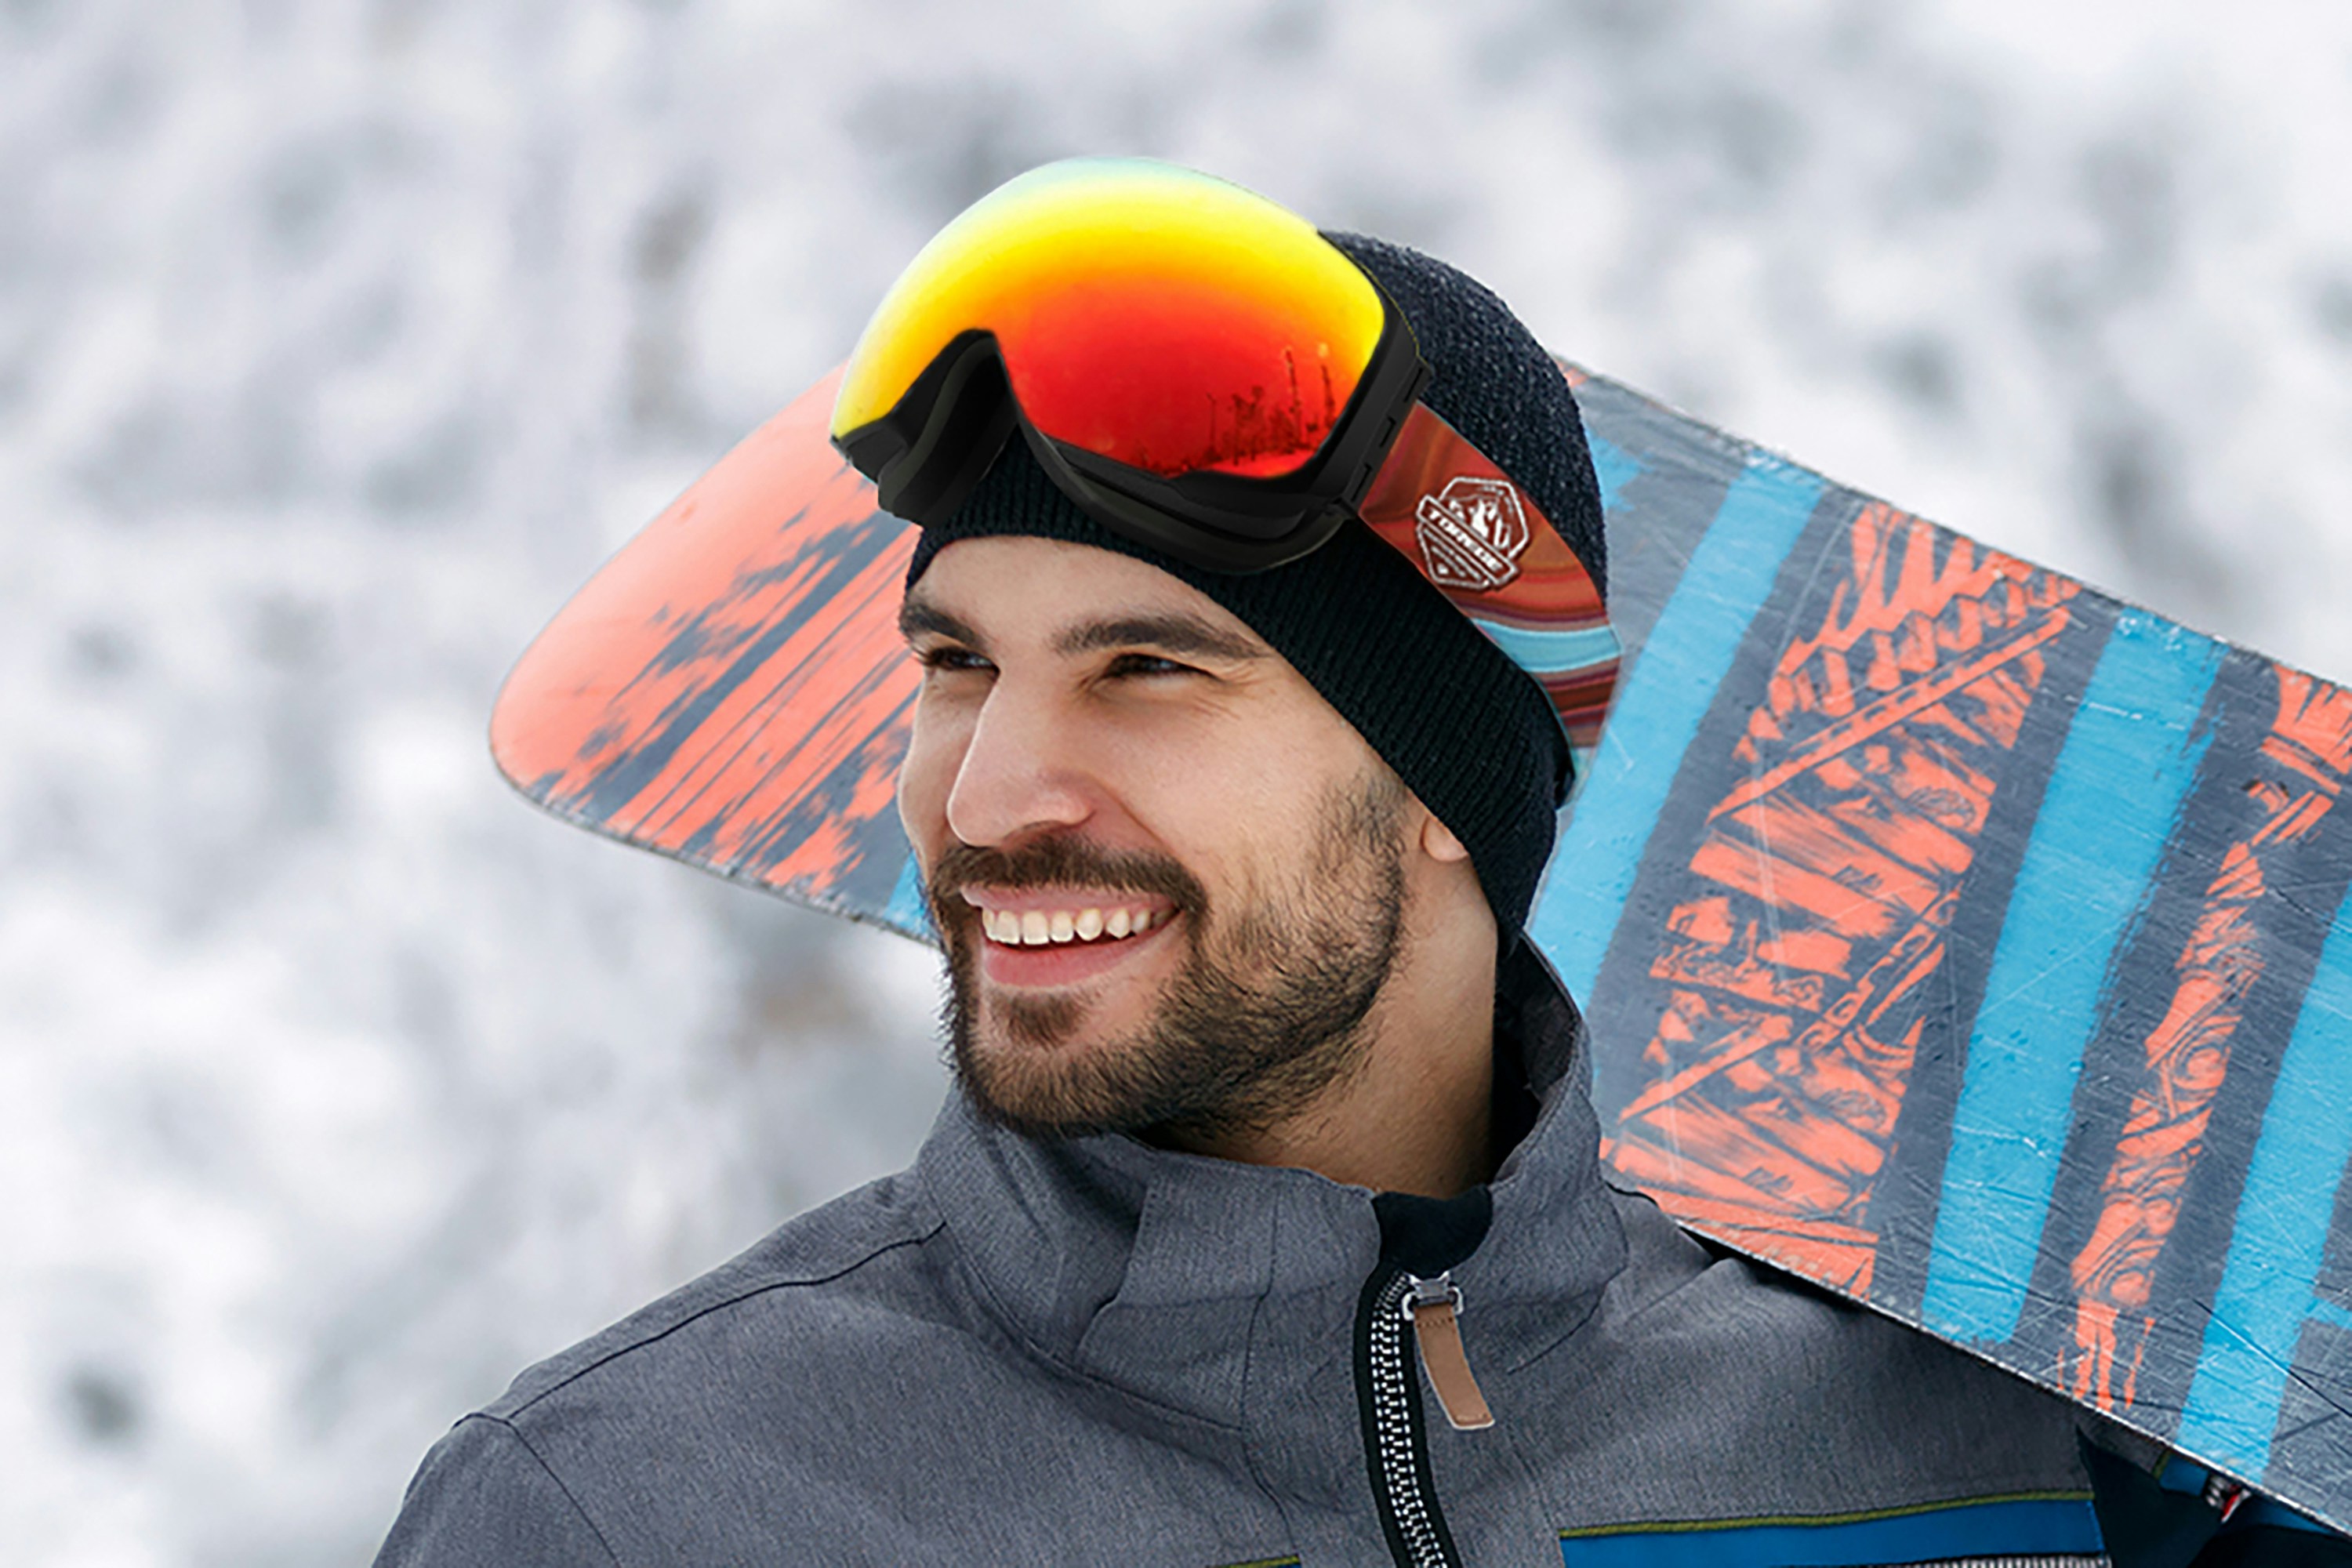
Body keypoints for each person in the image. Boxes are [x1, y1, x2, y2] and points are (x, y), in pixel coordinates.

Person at [376, 159, 2348, 1567]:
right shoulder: (631, 1507)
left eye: (1149, 671)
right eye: (957, 665)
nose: (985, 797)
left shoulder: (1983, 1446)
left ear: (1442, 773)